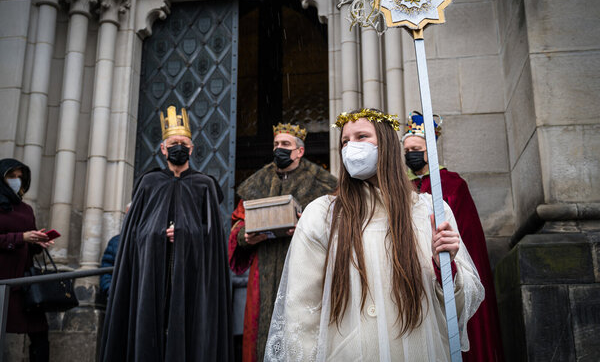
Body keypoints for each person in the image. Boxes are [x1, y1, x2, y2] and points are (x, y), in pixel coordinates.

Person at [264, 109, 484, 361]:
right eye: (345, 141)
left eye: (361, 137)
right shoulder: (321, 215)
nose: (351, 147)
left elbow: (457, 311)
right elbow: (301, 310)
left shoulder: (430, 210)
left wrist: (445, 267)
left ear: (387, 145)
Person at [100, 106, 233, 361]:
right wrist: (159, 234)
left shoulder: (205, 186)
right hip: (151, 274)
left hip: (191, 276)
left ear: (192, 149)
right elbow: (135, 235)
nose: (178, 147)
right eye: (173, 143)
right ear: (163, 149)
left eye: (184, 143)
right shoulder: (148, 184)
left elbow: (211, 239)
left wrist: (184, 234)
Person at [228, 123, 337, 362]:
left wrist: (306, 227)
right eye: (276, 144)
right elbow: (237, 223)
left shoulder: (323, 183)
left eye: (285, 145)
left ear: (299, 151)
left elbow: (337, 225)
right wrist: (245, 236)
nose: (279, 149)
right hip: (263, 269)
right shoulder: (258, 181)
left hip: (305, 266)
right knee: (261, 332)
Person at [402, 111, 504, 362]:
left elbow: (468, 239)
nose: (410, 154)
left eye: (416, 148)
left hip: (447, 270)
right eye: (406, 150)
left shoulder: (452, 185)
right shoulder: (402, 189)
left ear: (430, 151)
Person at [0, 158, 53, 362]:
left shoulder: (25, 209)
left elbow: (28, 246)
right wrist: (21, 237)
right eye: (11, 176)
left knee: (40, 333)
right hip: (3, 280)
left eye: (19, 177)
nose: (16, 181)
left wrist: (37, 242)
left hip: (23, 282)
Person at [99, 203, 130, 296]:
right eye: (126, 215)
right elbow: (106, 269)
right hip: (119, 297)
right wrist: (110, 289)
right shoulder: (116, 241)